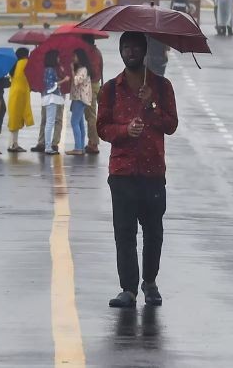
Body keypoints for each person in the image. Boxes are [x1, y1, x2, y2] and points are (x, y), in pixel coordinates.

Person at [97, 31, 178, 308]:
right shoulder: (110, 89)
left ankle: (150, 282)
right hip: (122, 172)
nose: (130, 52)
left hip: (153, 171)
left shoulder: (162, 87)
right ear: (120, 52)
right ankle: (128, 289)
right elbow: (102, 128)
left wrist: (151, 104)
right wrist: (125, 130)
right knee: (124, 232)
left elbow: (171, 125)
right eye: (126, 48)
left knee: (153, 232)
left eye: (135, 48)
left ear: (144, 52)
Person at [6, 48, 34, 153]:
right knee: (16, 119)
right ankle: (13, 145)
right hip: (21, 94)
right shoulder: (25, 62)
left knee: (14, 119)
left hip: (14, 93)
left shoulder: (14, 64)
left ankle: (12, 143)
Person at [40, 51, 68, 155]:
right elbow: (51, 86)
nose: (58, 59)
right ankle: (48, 147)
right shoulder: (51, 70)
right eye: (57, 57)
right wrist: (64, 80)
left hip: (48, 98)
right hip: (51, 98)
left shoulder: (48, 70)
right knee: (50, 122)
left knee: (49, 122)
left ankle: (47, 145)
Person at [68, 49, 93, 156]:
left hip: (80, 98)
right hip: (78, 98)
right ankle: (81, 147)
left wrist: (72, 70)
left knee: (74, 122)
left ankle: (78, 147)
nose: (74, 58)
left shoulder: (83, 69)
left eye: (75, 56)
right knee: (80, 123)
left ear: (80, 57)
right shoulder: (81, 69)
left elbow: (77, 81)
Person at [84, 38, 103, 155]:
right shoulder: (97, 52)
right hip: (97, 84)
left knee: (90, 116)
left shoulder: (88, 53)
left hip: (89, 85)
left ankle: (94, 143)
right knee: (91, 115)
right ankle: (91, 141)